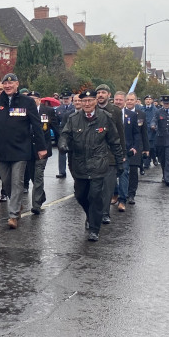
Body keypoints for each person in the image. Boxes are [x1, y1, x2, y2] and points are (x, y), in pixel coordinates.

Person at [0, 73, 47, 229]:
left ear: (17, 84)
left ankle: (13, 215)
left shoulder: (27, 102)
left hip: (21, 150)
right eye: (5, 84)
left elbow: (37, 126)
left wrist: (41, 148)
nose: (8, 86)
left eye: (11, 83)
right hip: (3, 150)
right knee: (7, 182)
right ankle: (16, 204)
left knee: (17, 182)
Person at [58, 90, 123, 242]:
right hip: (79, 164)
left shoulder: (105, 118)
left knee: (95, 196)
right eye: (84, 101)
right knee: (80, 195)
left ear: (95, 102)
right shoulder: (74, 119)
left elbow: (114, 141)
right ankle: (90, 214)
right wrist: (62, 144)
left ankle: (94, 228)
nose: (87, 104)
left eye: (90, 101)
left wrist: (120, 162)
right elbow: (65, 135)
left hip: (99, 164)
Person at [95, 84, 125, 224]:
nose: (100, 95)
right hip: (93, 155)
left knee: (108, 186)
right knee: (96, 187)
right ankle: (95, 212)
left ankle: (105, 212)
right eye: (98, 93)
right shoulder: (91, 109)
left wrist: (121, 154)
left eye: (103, 92)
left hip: (110, 155)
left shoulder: (115, 111)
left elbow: (120, 134)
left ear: (109, 95)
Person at [124, 92, 149, 205]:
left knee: (133, 171)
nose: (129, 101)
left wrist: (146, 149)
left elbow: (144, 133)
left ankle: (131, 194)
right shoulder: (120, 113)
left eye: (131, 100)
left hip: (136, 147)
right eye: (128, 99)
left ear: (135, 101)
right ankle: (121, 193)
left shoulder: (141, 114)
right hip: (123, 147)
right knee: (122, 172)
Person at [54, 93, 74, 179]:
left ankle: (74, 172)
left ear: (71, 99)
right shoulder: (59, 109)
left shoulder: (74, 108)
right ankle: (62, 172)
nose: (65, 100)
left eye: (67, 98)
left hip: (73, 135)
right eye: (64, 98)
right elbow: (56, 123)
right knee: (61, 153)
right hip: (62, 134)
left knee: (72, 156)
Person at [141, 95, 159, 169]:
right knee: (145, 147)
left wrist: (155, 127)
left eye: (149, 99)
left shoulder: (155, 110)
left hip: (152, 131)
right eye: (147, 99)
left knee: (152, 147)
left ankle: (154, 157)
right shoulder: (141, 109)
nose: (148, 101)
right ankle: (146, 162)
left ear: (152, 101)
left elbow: (157, 120)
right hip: (144, 130)